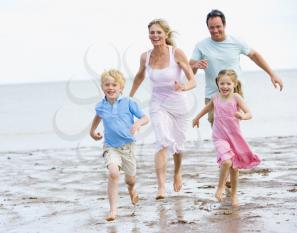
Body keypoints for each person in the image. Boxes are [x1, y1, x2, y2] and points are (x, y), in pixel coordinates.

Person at [129, 19, 196, 199]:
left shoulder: (177, 53)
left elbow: (192, 80)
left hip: (179, 103)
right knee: (162, 141)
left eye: (158, 32)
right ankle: (160, 187)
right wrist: (129, 98)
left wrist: (184, 87)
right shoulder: (145, 56)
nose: (155, 36)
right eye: (152, 32)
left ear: (166, 34)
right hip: (157, 103)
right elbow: (139, 77)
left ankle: (177, 172)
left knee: (179, 144)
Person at [190, 9, 283, 126]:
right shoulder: (201, 45)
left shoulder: (236, 42)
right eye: (211, 27)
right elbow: (190, 70)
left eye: (218, 26)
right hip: (212, 95)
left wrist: (272, 74)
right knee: (218, 130)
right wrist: (196, 65)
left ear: (224, 25)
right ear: (207, 27)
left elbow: (254, 55)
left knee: (232, 129)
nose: (215, 30)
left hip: (234, 93)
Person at [192, 69, 261, 207]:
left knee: (235, 168)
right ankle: (221, 186)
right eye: (222, 83)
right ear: (217, 83)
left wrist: (243, 116)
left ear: (234, 84)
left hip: (234, 137)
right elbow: (207, 108)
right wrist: (197, 117)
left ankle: (234, 195)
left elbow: (249, 113)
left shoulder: (236, 97)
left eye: (228, 83)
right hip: (219, 137)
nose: (225, 86)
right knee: (227, 162)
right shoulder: (215, 97)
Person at [90, 69, 149, 221]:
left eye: (114, 84)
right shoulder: (101, 105)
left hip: (128, 147)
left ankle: (132, 190)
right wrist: (92, 131)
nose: (110, 87)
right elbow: (98, 116)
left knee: (130, 180)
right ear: (102, 87)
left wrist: (137, 123)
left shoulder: (128, 102)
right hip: (111, 146)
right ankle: (113, 211)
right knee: (113, 173)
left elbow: (145, 117)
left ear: (121, 87)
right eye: (107, 84)